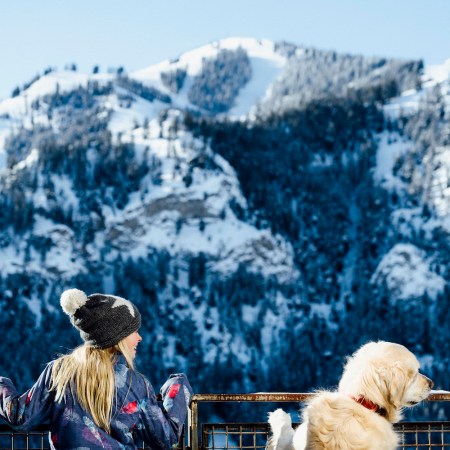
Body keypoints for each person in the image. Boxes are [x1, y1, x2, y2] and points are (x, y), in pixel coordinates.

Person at [0, 288, 193, 449]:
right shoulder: (136, 384)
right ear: (116, 337)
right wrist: (178, 386)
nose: (139, 337)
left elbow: (20, 417)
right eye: (134, 331)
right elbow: (165, 438)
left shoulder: (59, 371)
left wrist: (2, 385)